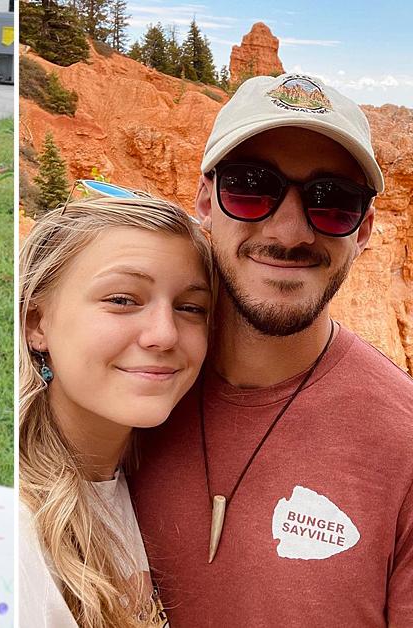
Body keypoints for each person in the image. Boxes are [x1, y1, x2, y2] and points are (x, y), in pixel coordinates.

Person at [130, 73, 413, 624]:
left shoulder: (404, 446)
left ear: (364, 229)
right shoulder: (127, 386)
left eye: (331, 202)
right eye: (251, 187)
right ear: (205, 201)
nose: (289, 232)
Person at [18, 196, 213, 627]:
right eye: (123, 300)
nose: (164, 334)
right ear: (37, 324)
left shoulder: (153, 482)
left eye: (190, 308)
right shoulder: (15, 535)